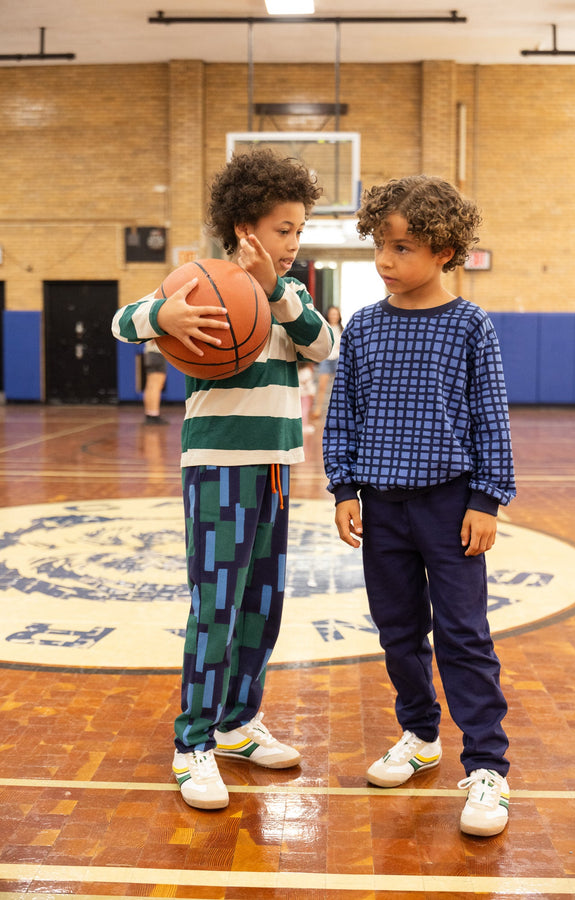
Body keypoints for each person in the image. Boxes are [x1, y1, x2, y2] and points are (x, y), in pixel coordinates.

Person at [112, 149, 333, 810]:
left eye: (298, 231)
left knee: (264, 606)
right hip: (216, 468)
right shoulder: (199, 280)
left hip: (275, 466)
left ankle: (238, 723)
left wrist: (275, 295)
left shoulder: (290, 296)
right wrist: (161, 319)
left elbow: (325, 346)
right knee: (217, 607)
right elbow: (122, 322)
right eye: (282, 229)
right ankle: (193, 742)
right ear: (245, 227)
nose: (293, 243)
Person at [322, 175, 516, 837]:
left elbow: (492, 419)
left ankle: (487, 764)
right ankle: (419, 734)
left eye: (403, 248)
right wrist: (344, 489)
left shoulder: (469, 324)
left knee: (463, 635)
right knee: (398, 631)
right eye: (381, 245)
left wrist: (487, 499)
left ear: (445, 252)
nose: (385, 260)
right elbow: (341, 413)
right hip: (382, 507)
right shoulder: (366, 328)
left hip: (450, 505)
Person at [310, 305, 343, 420]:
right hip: (326, 359)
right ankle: (318, 410)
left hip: (338, 359)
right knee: (322, 386)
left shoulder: (343, 329)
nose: (333, 316)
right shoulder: (325, 327)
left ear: (338, 316)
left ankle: (339, 411)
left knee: (340, 387)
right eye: (331, 313)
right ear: (328, 315)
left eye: (335, 314)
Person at [142, 339, 169, 425]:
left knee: (150, 385)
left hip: (149, 354)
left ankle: (149, 413)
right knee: (156, 386)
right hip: (157, 354)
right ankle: (154, 415)